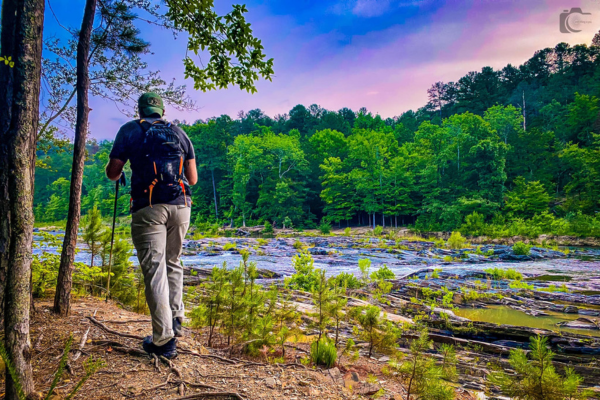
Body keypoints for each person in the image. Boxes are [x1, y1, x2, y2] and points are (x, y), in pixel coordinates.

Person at [106, 92, 198, 359]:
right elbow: (192, 179)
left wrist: (122, 169)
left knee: (155, 270)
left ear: (140, 110)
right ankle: (176, 317)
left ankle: (164, 341)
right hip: (181, 206)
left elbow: (113, 173)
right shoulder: (180, 133)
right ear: (162, 110)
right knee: (173, 262)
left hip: (148, 207)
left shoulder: (130, 130)